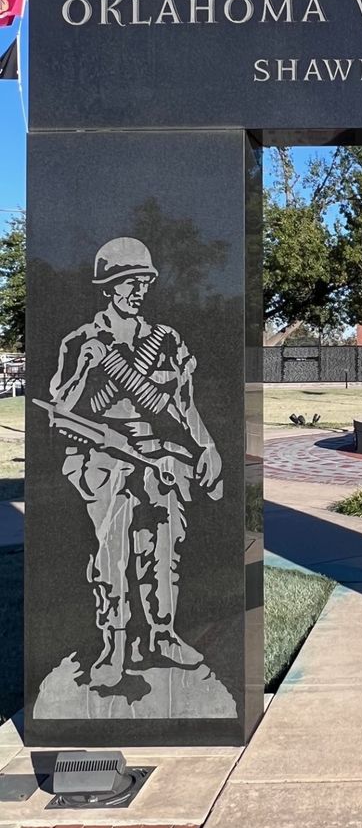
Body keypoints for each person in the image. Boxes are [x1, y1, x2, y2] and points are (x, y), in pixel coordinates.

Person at [40, 237, 222, 690]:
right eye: (127, 282)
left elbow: (182, 404)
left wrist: (208, 447)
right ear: (107, 287)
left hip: (158, 457)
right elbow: (60, 410)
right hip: (103, 459)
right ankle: (114, 645)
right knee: (110, 554)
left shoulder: (165, 340)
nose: (137, 289)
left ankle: (163, 635)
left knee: (163, 550)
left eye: (143, 281)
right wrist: (84, 369)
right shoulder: (82, 340)